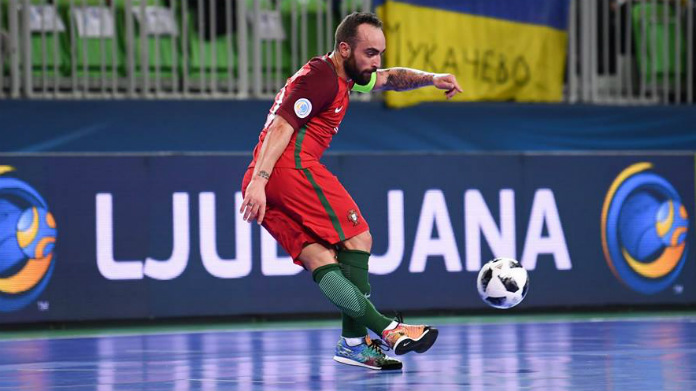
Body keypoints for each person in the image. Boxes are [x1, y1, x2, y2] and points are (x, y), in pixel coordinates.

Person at [240, 11, 462, 371]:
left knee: (321, 258)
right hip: (288, 167)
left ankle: (354, 346)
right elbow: (282, 126)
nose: (377, 62)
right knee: (358, 239)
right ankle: (385, 330)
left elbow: (389, 79)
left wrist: (431, 78)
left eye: (380, 53)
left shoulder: (346, 76)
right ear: (344, 49)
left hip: (269, 175)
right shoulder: (320, 78)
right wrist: (260, 182)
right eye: (370, 53)